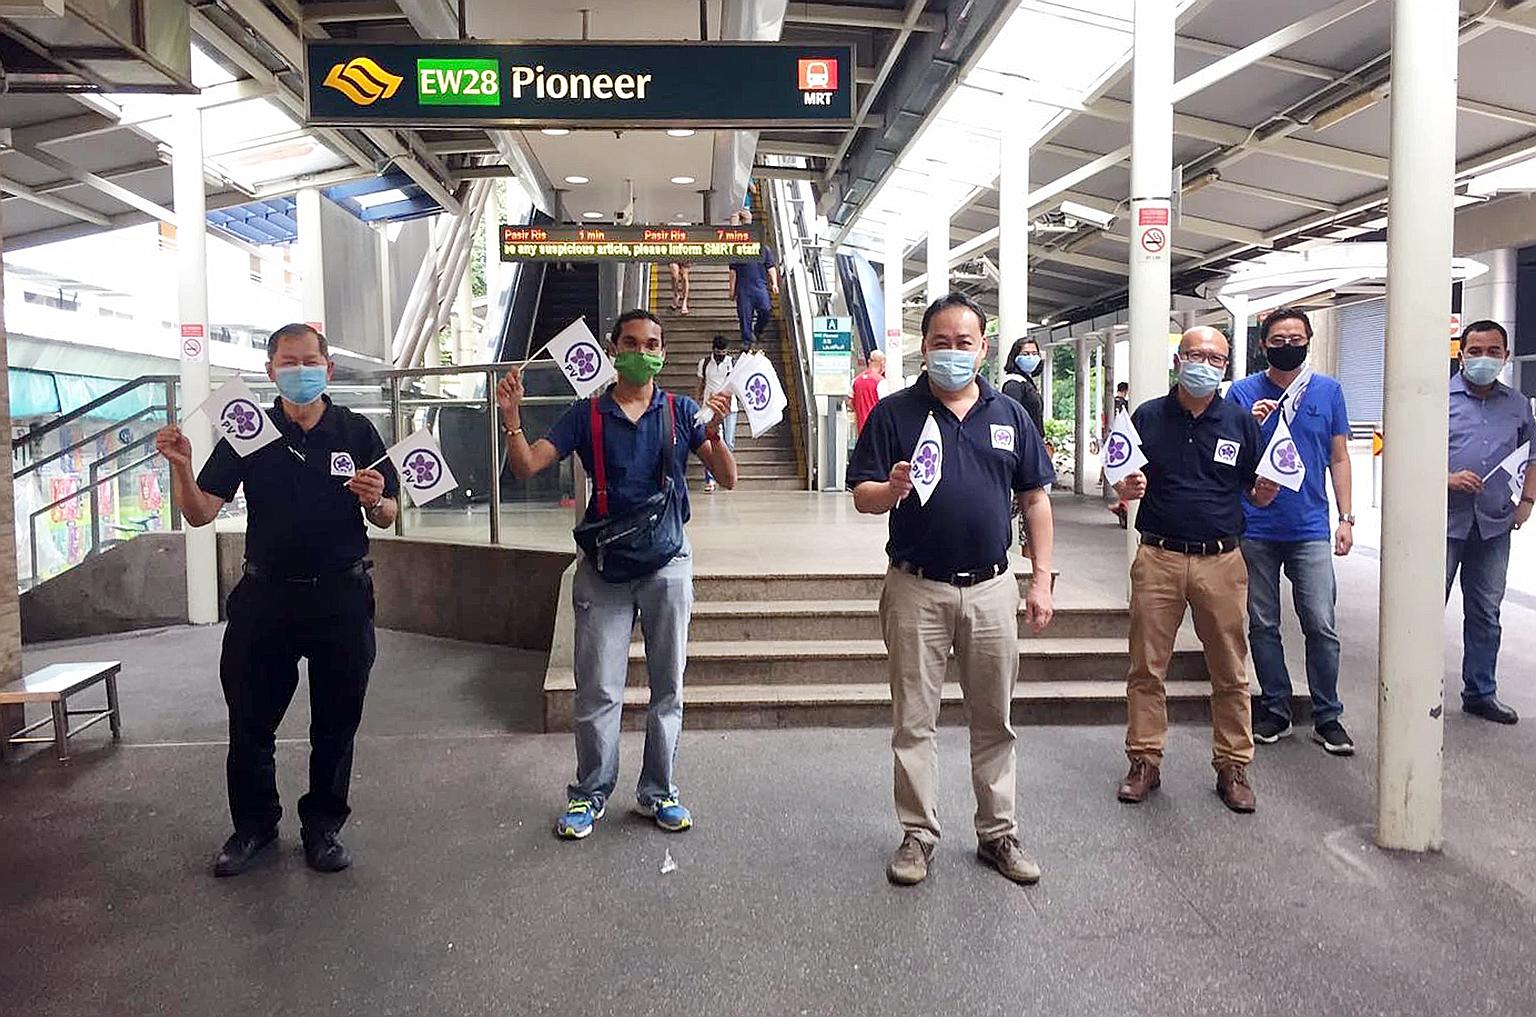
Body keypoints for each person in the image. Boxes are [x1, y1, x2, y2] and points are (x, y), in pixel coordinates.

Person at [153, 323, 400, 877]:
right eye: (288, 363)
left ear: (328, 369)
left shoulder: (357, 431)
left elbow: (389, 515)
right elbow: (200, 512)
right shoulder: (248, 431)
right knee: (249, 720)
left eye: (309, 361)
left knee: (337, 724)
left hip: (342, 595)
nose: (300, 371)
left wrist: (378, 498)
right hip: (265, 599)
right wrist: (182, 468)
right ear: (270, 372)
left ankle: (323, 827)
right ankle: (254, 828)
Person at [498, 309, 737, 839]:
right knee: (597, 689)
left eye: (651, 343)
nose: (641, 351)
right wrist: (513, 419)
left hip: (667, 563)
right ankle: (589, 793)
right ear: (612, 349)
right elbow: (527, 465)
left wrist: (715, 435)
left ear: (663, 352)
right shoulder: (587, 415)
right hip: (604, 569)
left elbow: (727, 477)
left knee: (667, 687)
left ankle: (659, 791)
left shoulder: (682, 411)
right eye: (630, 342)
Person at [848, 291, 1056, 887]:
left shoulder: (1010, 414)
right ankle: (918, 834)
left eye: (965, 343)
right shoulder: (895, 414)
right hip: (916, 588)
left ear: (984, 348)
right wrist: (889, 491)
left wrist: (1039, 578)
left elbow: (1035, 499)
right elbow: (861, 494)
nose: (952, 352)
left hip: (993, 589)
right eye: (941, 342)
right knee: (914, 720)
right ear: (924, 346)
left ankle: (999, 832)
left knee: (995, 719)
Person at [1112, 325, 1279, 813]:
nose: (1204, 364)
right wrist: (1124, 490)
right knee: (1146, 666)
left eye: (1215, 358)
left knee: (1229, 668)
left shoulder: (1239, 421)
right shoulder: (1147, 416)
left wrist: (1263, 492)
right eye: (1194, 354)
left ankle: (1233, 764)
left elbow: (1253, 485)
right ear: (1178, 359)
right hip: (1158, 556)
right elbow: (1120, 476)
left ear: (1226, 367)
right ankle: (1144, 759)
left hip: (1222, 560)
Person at [1227, 308, 1355, 755]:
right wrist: (1252, 426)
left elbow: (1339, 456)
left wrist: (1346, 516)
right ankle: (1276, 706)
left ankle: (1328, 715)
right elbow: (1228, 455)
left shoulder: (1328, 391)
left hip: (1309, 526)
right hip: (1256, 524)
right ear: (1262, 345)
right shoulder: (1241, 393)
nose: (1287, 345)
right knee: (1263, 623)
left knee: (1321, 621)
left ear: (1309, 339)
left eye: (1295, 338)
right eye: (1277, 339)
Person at [1445, 320, 1535, 724]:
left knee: (1486, 612)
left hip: (1494, 524)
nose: (1484, 358)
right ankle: (1417, 687)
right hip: (1443, 523)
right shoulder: (1437, 399)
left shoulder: (1517, 404)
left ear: (1505, 356)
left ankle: (1480, 692)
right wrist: (1446, 479)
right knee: (1425, 610)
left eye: (1493, 351)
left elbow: (1531, 456)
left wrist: (1527, 501)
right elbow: (1403, 454)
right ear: (1461, 353)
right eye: (1475, 350)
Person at [728, 209, 778, 351]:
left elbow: (770, 266)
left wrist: (774, 283)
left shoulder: (763, 248)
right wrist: (731, 290)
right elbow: (733, 272)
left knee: (766, 310)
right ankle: (747, 340)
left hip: (759, 286)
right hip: (743, 288)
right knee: (745, 316)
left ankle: (758, 330)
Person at [696, 335, 738, 492]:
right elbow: (700, 384)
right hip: (710, 407)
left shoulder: (731, 363)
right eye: (718, 351)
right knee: (710, 441)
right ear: (713, 349)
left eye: (724, 351)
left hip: (729, 407)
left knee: (728, 441)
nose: (721, 354)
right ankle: (710, 479)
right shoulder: (705, 363)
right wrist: (698, 402)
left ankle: (724, 474)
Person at [1000, 338, 1046, 439]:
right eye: (1025, 354)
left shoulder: (1027, 382)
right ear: (1015, 356)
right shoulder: (1013, 384)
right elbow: (1011, 419)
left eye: (1034, 353)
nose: (1031, 357)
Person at [852, 349, 887, 434]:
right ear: (882, 363)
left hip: (861, 429)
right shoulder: (881, 382)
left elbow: (850, 402)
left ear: (869, 361)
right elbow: (886, 406)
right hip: (877, 429)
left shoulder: (856, 380)